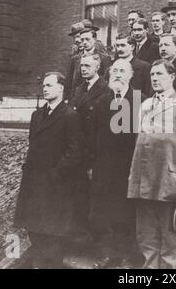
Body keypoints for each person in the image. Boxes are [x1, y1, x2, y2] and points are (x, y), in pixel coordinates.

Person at [128, 59, 176, 269]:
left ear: (172, 77)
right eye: (152, 75)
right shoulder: (144, 105)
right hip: (143, 181)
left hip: (170, 181)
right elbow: (140, 142)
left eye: (159, 74)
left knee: (171, 239)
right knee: (146, 238)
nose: (154, 78)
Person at [14, 72, 84, 269]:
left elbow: (75, 152)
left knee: (52, 233)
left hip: (55, 185)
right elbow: (33, 145)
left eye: (49, 85)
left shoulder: (70, 116)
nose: (45, 88)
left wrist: (57, 173)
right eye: (43, 85)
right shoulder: (37, 115)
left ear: (61, 88)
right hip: (34, 182)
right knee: (34, 229)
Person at [91, 59, 146, 269]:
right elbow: (93, 135)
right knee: (104, 212)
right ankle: (108, 254)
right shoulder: (102, 100)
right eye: (114, 71)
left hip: (130, 166)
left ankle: (126, 255)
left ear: (131, 75)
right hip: (104, 166)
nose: (117, 74)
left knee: (126, 212)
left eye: (122, 71)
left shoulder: (141, 100)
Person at [69, 54, 109, 234]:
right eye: (81, 66)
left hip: (94, 149)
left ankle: (95, 235)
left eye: (87, 66)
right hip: (78, 148)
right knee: (78, 191)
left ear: (97, 67)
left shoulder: (105, 89)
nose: (83, 69)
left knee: (95, 195)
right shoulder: (78, 90)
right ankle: (80, 231)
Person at [66, 23, 112, 101]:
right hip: (76, 100)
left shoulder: (104, 58)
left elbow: (107, 81)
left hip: (95, 100)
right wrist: (67, 99)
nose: (84, 42)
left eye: (87, 39)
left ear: (94, 39)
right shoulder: (75, 59)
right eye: (82, 39)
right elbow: (69, 81)